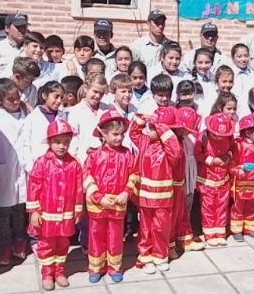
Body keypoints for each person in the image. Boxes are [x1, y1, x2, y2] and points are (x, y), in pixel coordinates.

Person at [26, 119, 83, 291]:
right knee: (46, 244)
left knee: (63, 243)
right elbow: (33, 186)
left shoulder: (74, 163)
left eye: (66, 142)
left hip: (65, 214)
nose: (62, 146)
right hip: (47, 213)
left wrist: (77, 209)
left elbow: (79, 188)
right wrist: (34, 211)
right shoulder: (42, 162)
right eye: (57, 142)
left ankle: (59, 271)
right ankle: (47, 273)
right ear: (50, 142)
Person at [83, 110, 135, 284]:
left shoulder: (127, 154)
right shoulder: (94, 155)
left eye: (122, 134)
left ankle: (115, 267)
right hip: (97, 205)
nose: (119, 138)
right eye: (114, 134)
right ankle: (96, 267)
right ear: (103, 133)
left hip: (118, 203)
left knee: (115, 237)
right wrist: (98, 197)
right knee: (96, 236)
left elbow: (135, 174)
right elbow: (87, 177)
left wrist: (127, 192)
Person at [128, 107, 182, 274]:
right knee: (146, 229)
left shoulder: (168, 148)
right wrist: (141, 119)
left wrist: (161, 128)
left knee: (161, 228)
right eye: (149, 127)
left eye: (152, 128)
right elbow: (133, 133)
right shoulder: (144, 141)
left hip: (163, 198)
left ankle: (160, 256)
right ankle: (145, 256)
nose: (148, 130)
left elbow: (176, 151)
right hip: (145, 197)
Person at [0, 79, 29, 265]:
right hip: (3, 169)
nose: (15, 101)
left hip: (24, 167)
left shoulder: (27, 114)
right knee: (4, 211)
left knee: (21, 208)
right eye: (10, 99)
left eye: (17, 97)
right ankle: (5, 246)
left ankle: (20, 241)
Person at [196, 113, 235, 246]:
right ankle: (209, 233)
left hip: (223, 179)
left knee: (222, 206)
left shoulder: (229, 137)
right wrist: (213, 160)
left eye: (221, 135)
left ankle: (220, 233)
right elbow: (197, 154)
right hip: (206, 179)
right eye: (216, 134)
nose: (218, 137)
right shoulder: (203, 137)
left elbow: (232, 149)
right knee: (208, 207)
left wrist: (227, 158)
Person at [172, 107, 206, 252]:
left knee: (187, 207)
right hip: (177, 179)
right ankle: (173, 240)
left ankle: (185, 237)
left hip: (190, 174)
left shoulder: (190, 137)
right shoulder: (172, 139)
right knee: (177, 211)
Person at [229, 114, 254, 241]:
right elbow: (232, 165)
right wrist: (240, 170)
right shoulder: (238, 145)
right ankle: (236, 230)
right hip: (240, 184)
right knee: (238, 208)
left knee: (252, 207)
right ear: (248, 132)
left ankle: (249, 228)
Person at [19, 81, 66, 174]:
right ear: (45, 96)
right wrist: (30, 167)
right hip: (38, 166)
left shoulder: (63, 116)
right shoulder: (32, 118)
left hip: (59, 166)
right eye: (56, 96)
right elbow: (26, 144)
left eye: (61, 97)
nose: (59, 101)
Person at [68, 73, 110, 163]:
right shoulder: (75, 111)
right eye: (95, 91)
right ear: (86, 88)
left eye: (101, 93)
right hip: (83, 160)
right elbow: (73, 139)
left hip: (106, 161)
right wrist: (73, 158)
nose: (98, 96)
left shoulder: (108, 109)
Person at [0, 13, 28, 78]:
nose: (22, 30)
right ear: (7, 28)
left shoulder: (31, 49)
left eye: (24, 27)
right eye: (18, 27)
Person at [230, 43, 254, 107]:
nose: (243, 59)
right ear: (233, 58)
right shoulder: (229, 74)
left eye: (246, 56)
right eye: (239, 56)